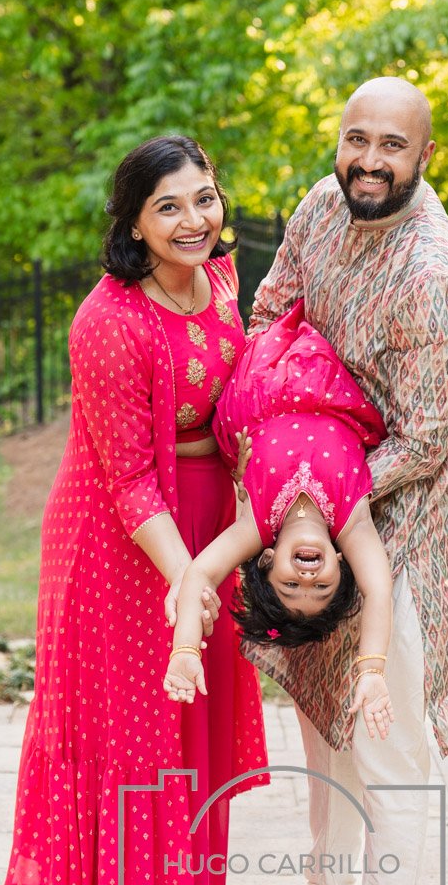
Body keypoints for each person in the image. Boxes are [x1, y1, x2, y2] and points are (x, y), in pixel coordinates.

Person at [217, 78, 448, 885]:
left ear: (425, 157)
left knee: (387, 728)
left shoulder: (438, 282)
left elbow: (424, 441)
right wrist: (286, 429)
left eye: (393, 147)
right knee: (323, 706)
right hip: (313, 495)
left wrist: (311, 488)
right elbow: (268, 311)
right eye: (355, 140)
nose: (369, 161)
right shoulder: (322, 207)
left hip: (400, 512)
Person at [0, 135, 268, 885]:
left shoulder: (223, 285)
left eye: (205, 197)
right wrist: (187, 582)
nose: (195, 220)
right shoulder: (107, 322)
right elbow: (127, 483)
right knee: (137, 742)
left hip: (205, 536)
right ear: (134, 223)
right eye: (170, 207)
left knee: (193, 738)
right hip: (126, 545)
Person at [162, 299, 396, 741]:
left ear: (267, 563)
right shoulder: (351, 522)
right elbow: (378, 588)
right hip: (325, 378)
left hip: (263, 380)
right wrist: (372, 671)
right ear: (340, 565)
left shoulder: (256, 524)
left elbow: (200, 573)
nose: (307, 578)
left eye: (290, 585)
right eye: (321, 586)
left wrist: (186, 647)